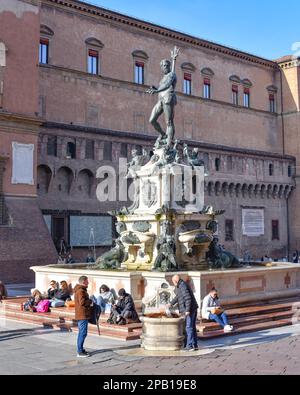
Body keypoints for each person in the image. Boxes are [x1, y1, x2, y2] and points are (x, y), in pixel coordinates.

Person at [146, 47, 179, 148]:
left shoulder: (172, 75)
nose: (165, 67)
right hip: (160, 100)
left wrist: (174, 59)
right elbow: (162, 87)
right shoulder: (163, 78)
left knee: (169, 122)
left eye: (166, 65)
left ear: (169, 66)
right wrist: (155, 88)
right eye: (163, 66)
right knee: (152, 120)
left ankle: (169, 142)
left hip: (168, 99)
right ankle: (163, 134)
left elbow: (168, 85)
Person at [168, 275, 199, 351]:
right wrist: (170, 303)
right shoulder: (181, 285)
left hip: (190, 309)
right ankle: (194, 345)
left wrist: (187, 310)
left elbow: (188, 298)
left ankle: (190, 346)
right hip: (193, 308)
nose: (173, 284)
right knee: (192, 327)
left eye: (173, 282)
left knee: (189, 327)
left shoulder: (182, 286)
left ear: (175, 281)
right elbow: (178, 296)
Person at [74, 276, 93, 358]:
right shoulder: (81, 291)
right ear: (83, 282)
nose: (88, 283)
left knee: (81, 333)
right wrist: (90, 301)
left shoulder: (79, 290)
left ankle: (80, 349)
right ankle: (80, 351)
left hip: (81, 315)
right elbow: (82, 302)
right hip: (82, 315)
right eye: (87, 281)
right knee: (83, 333)